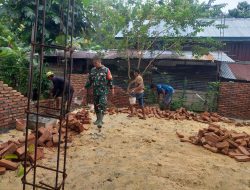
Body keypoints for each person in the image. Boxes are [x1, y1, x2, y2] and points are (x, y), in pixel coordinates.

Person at [83, 56, 114, 129]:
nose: (94, 64)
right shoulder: (93, 70)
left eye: (95, 63)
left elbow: (110, 80)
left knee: (102, 104)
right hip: (95, 91)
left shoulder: (106, 70)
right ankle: (97, 119)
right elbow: (90, 80)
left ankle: (100, 120)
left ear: (99, 62)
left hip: (103, 91)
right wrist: (85, 87)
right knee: (96, 106)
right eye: (93, 63)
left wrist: (112, 89)